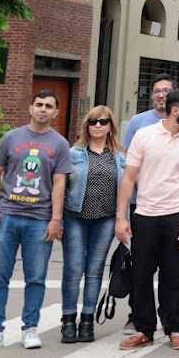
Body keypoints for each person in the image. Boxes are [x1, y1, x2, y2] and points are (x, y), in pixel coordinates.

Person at [0, 91, 71, 353]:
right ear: (30, 108)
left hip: (39, 220)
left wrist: (56, 219)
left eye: (49, 106)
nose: (43, 109)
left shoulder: (59, 144)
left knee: (36, 278)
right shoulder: (11, 137)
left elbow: (59, 183)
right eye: (39, 105)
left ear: (56, 112)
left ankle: (30, 328)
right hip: (7, 216)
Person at [116, 90, 179, 350]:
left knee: (175, 275)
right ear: (176, 111)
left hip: (177, 216)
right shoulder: (144, 136)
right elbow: (129, 178)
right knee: (141, 275)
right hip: (145, 216)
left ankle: (175, 327)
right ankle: (144, 329)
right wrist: (121, 217)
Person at [60, 106, 124, 344]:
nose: (98, 126)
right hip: (75, 217)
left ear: (110, 127)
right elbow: (60, 187)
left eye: (103, 122)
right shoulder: (73, 153)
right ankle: (68, 320)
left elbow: (128, 191)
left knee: (95, 270)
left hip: (105, 219)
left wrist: (122, 219)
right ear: (86, 125)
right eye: (93, 122)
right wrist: (55, 218)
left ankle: (87, 320)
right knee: (74, 269)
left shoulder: (120, 157)